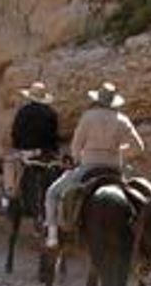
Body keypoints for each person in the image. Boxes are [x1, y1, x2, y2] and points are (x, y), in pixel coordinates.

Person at [44, 81, 144, 251]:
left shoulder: (88, 117)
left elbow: (76, 145)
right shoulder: (122, 119)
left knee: (52, 192)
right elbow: (139, 147)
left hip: (89, 166)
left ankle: (52, 236)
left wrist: (77, 159)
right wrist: (119, 151)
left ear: (98, 99)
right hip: (114, 169)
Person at [0, 80, 61, 214]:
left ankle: (8, 198)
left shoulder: (23, 112)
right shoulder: (52, 113)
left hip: (27, 153)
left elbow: (15, 133)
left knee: (8, 163)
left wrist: (18, 146)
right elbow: (54, 135)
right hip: (47, 153)